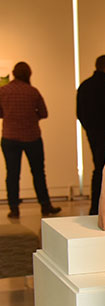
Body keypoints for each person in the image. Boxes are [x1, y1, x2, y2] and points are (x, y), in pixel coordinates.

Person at [0, 62, 61, 218]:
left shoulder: (3, 91)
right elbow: (44, 113)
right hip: (32, 137)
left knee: (12, 174)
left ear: (13, 73)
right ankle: (45, 205)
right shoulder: (33, 92)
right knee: (38, 173)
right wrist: (31, 116)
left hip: (9, 137)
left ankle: (14, 208)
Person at [77, 54, 105, 215]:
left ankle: (95, 207)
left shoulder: (84, 86)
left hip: (93, 134)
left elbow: (79, 113)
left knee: (98, 168)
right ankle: (104, 206)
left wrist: (90, 129)